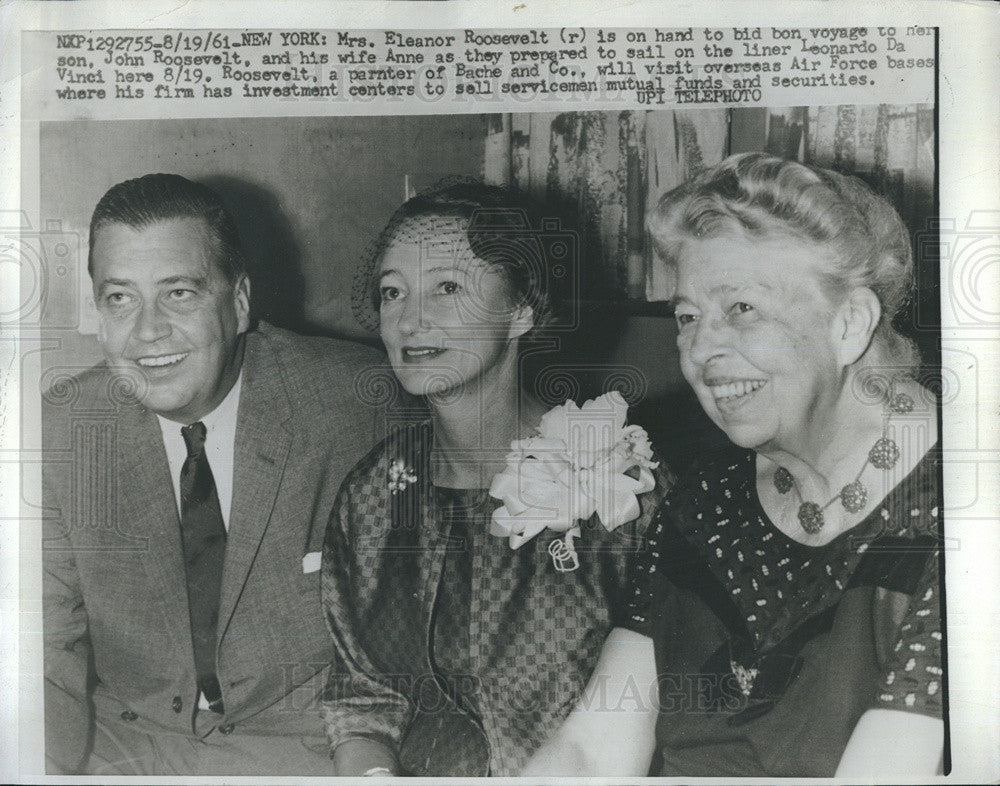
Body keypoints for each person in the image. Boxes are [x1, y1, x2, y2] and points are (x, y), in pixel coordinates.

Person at [523, 153, 944, 777]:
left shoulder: (964, 510)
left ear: (850, 323)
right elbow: (593, 748)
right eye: (688, 317)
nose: (701, 350)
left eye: (742, 309)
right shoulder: (708, 497)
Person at [320, 181, 670, 776]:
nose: (409, 320)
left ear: (522, 309)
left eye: (447, 288)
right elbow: (361, 698)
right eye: (392, 293)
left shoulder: (626, 486)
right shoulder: (376, 495)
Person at [42, 174, 388, 775]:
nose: (147, 331)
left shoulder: (359, 403)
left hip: (304, 746)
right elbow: (45, 647)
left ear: (241, 302)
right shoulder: (64, 430)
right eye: (119, 298)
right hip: (125, 742)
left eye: (179, 293)